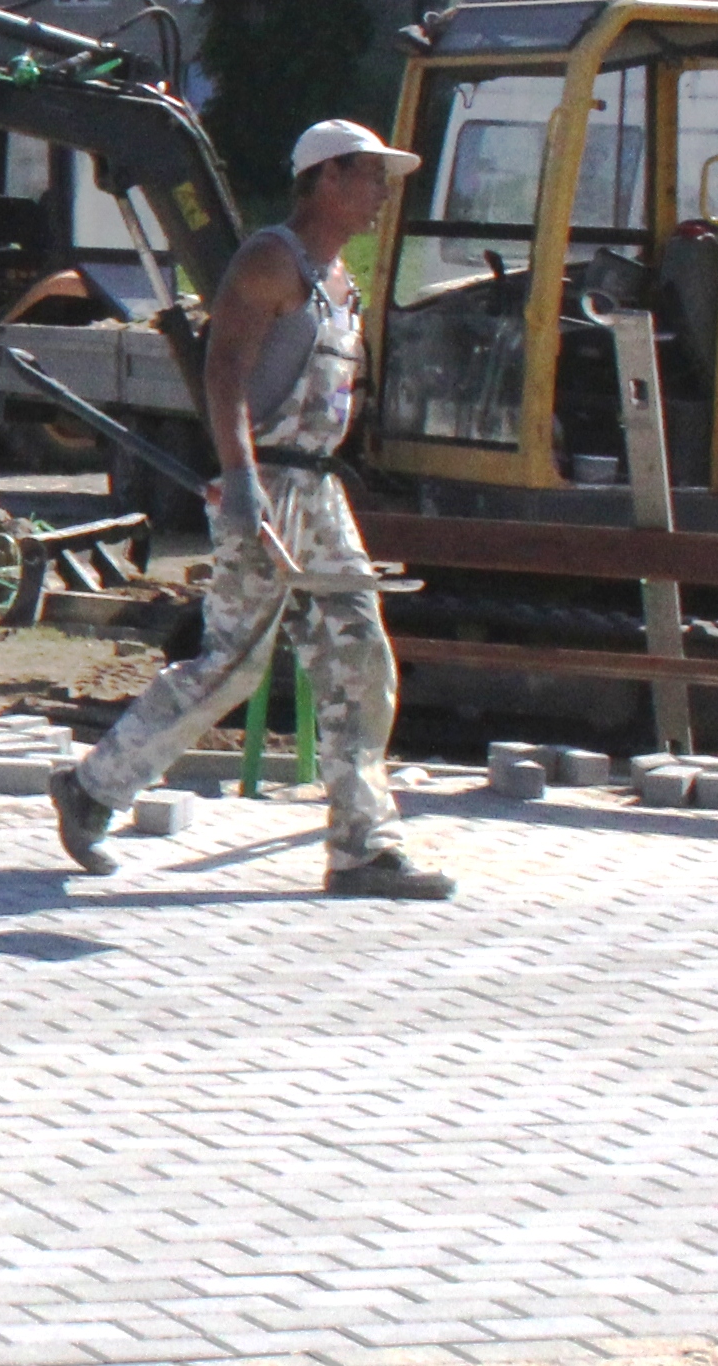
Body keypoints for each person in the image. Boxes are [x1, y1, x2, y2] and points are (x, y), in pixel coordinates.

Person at [49, 120, 456, 900]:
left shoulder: (340, 279)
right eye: (371, 176)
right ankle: (92, 788)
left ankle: (364, 847)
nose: (382, 193)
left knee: (359, 657)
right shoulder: (273, 261)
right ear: (328, 177)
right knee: (233, 664)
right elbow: (224, 371)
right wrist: (238, 478)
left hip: (318, 492)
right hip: (267, 487)